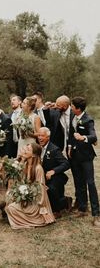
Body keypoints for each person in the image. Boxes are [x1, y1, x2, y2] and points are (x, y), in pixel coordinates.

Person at [5, 143, 55, 229]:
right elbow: (18, 179)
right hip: (25, 196)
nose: (24, 151)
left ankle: (34, 219)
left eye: (27, 150)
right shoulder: (25, 165)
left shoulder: (38, 168)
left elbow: (41, 188)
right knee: (9, 205)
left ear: (34, 154)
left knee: (11, 208)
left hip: (35, 200)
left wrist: (41, 206)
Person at [68, 96, 100, 227]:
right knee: (78, 182)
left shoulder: (88, 120)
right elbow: (71, 134)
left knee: (90, 183)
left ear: (78, 108)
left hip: (86, 156)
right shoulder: (73, 117)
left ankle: (96, 214)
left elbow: (94, 137)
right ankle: (82, 208)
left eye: (72, 106)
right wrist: (70, 147)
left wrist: (83, 137)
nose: (70, 108)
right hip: (75, 155)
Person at [38, 127, 72, 218]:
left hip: (56, 176)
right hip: (42, 176)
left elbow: (66, 163)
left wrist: (53, 171)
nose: (40, 138)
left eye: (42, 136)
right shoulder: (37, 147)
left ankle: (57, 210)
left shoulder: (54, 149)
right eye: (39, 135)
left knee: (50, 188)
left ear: (48, 137)